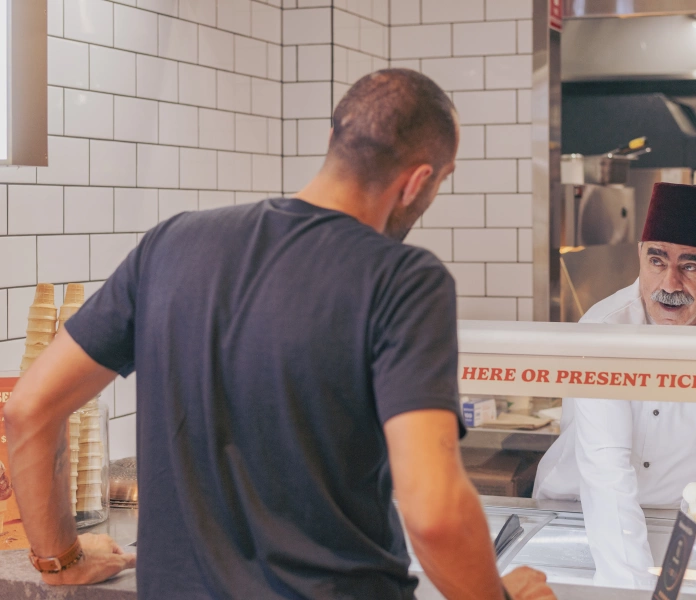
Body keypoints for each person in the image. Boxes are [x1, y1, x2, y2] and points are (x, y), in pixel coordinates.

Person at [6, 70, 555, 600]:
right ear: (419, 180)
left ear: (332, 140)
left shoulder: (171, 244)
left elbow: (29, 407)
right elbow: (433, 512)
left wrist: (62, 561)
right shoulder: (403, 279)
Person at [533, 182, 696, 589]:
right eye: (656, 260)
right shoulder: (605, 330)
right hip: (581, 514)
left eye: (689, 266)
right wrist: (629, 591)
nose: (669, 283)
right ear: (640, 258)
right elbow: (607, 475)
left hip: (680, 519)